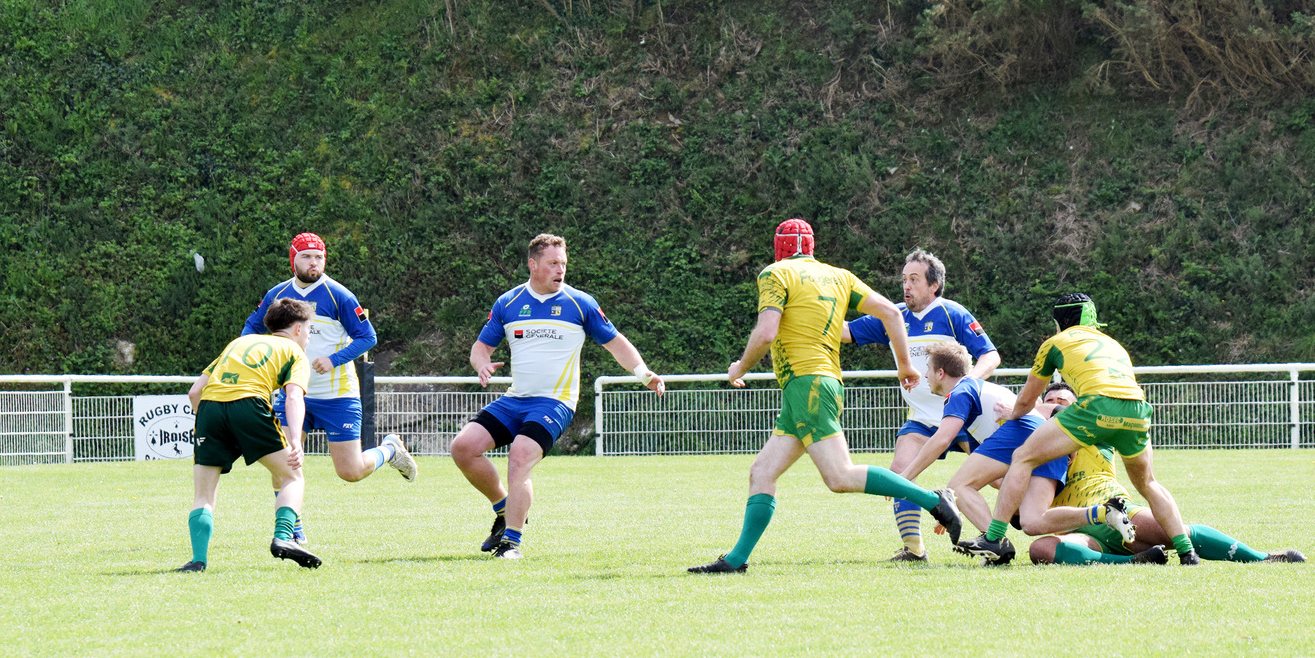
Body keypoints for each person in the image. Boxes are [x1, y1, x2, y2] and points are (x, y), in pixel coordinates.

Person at [687, 219, 963, 574]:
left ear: (779, 247)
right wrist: (905, 366)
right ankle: (736, 560)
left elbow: (767, 332)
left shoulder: (775, 274)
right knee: (762, 472)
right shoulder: (839, 276)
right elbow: (892, 313)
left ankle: (933, 500)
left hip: (808, 386)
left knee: (839, 477)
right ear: (812, 246)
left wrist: (740, 367)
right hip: (814, 386)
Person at [451, 233, 665, 560]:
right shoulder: (508, 302)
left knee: (520, 455)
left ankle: (511, 543)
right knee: (463, 448)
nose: (560, 270)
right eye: (553, 263)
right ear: (533, 264)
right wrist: (481, 364)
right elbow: (481, 347)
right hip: (515, 400)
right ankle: (504, 508)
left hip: (555, 402)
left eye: (563, 263)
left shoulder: (580, 303)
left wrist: (643, 373)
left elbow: (616, 342)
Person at [957, 292, 1200, 565]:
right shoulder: (1112, 343)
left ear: (1059, 323)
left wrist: (1013, 414)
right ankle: (1187, 551)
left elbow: (1026, 400)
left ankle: (993, 537)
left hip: (1096, 407)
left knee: (1022, 457)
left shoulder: (1055, 342)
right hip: (1137, 409)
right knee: (1149, 483)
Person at [244, 232, 417, 545]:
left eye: (319, 257)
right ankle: (293, 528)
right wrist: (248, 355)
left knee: (350, 472)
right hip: (293, 392)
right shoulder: (277, 294)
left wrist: (333, 359)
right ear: (293, 259)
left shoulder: (339, 295)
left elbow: (368, 337)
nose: (314, 263)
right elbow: (252, 327)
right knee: (283, 462)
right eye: (307, 257)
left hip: (338, 396)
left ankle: (390, 450)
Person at [842, 250, 1001, 561]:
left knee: (996, 478)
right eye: (904, 279)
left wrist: (966, 386)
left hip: (963, 416)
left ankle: (1007, 532)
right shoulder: (893, 317)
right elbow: (847, 332)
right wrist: (813, 311)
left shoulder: (953, 313)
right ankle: (914, 550)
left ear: (934, 285)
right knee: (900, 471)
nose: (906, 286)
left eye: (914, 279)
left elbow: (991, 356)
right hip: (922, 419)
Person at [897, 347, 1080, 565]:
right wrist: (954, 509)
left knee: (957, 485)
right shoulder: (977, 393)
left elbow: (942, 439)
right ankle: (1099, 515)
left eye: (928, 369)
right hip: (1046, 440)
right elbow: (989, 477)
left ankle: (995, 543)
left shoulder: (960, 391)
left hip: (1022, 432)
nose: (926, 375)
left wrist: (905, 476)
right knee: (1032, 521)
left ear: (941, 373)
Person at [180, 297, 318, 571]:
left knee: (204, 495)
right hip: (250, 404)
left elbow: (195, 392)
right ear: (298, 328)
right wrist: (295, 441)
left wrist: (212, 426)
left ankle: (198, 561)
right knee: (291, 476)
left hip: (209, 408)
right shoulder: (295, 351)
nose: (309, 337)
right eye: (309, 330)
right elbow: (293, 397)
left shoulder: (238, 343)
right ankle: (284, 537)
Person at [1023, 441, 1306, 564]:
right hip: (1080, 532)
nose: (1056, 407)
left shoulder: (1093, 438)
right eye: (1051, 402)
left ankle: (1262, 558)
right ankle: (1133, 562)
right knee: (1041, 549)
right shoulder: (1035, 458)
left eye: (1063, 401)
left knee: (1176, 533)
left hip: (1119, 512)